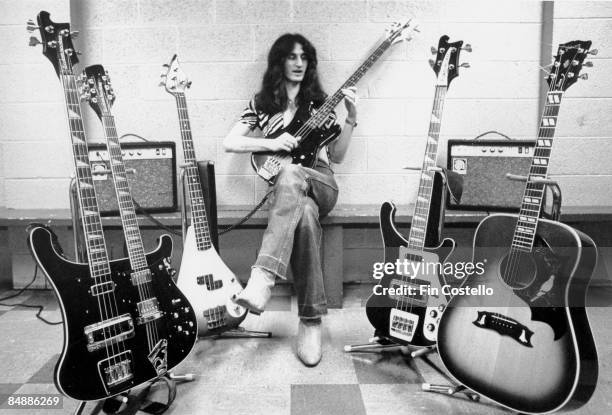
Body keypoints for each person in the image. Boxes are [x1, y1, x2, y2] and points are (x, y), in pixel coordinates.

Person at [223, 33, 357, 366]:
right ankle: (311, 321)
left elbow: (337, 157)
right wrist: (271, 143)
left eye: (304, 58)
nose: (298, 63)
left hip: (322, 182)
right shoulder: (263, 104)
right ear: (280, 61)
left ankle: (263, 277)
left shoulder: (321, 103)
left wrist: (351, 117)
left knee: (295, 175)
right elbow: (231, 142)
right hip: (291, 194)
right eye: (292, 57)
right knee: (306, 218)